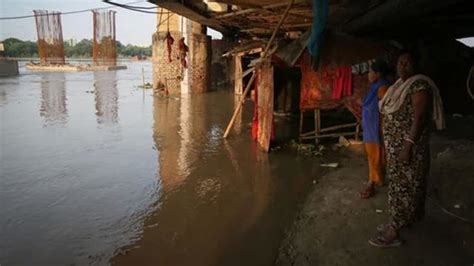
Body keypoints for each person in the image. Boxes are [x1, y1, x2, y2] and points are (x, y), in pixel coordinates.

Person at [368, 50, 445, 248]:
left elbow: (418, 119)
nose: (402, 66)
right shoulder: (400, 85)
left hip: (409, 149)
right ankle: (405, 220)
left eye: (408, 63)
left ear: (416, 66)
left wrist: (407, 146)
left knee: (406, 187)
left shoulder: (419, 86)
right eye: (400, 63)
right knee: (400, 185)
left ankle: (394, 231)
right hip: (397, 148)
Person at [360, 59, 390, 199]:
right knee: (373, 155)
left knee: (375, 156)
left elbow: (386, 109)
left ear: (378, 74)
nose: (368, 74)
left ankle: (372, 183)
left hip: (376, 129)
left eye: (370, 72)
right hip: (370, 127)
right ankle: (377, 180)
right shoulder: (376, 87)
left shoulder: (382, 88)